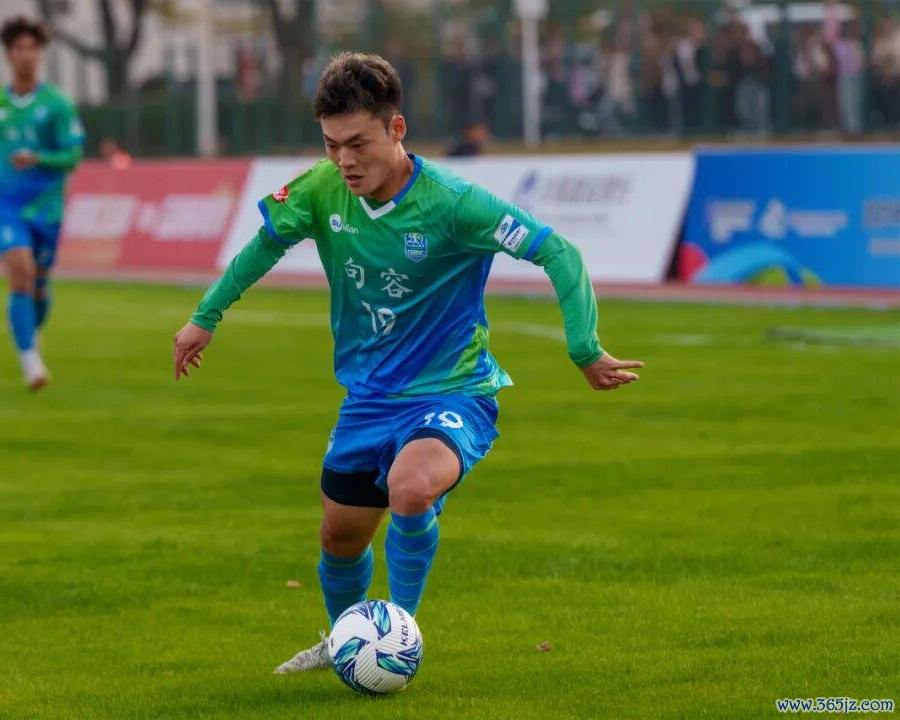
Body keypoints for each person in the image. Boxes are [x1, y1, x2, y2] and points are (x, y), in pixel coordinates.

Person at [172, 53, 643, 673]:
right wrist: (205, 316)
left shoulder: (454, 203)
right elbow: (265, 245)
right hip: (368, 398)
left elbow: (557, 251)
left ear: (397, 129)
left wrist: (584, 348)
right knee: (340, 535)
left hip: (453, 391)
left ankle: (397, 636)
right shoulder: (320, 189)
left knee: (410, 487)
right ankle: (345, 641)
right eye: (332, 145)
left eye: (358, 143)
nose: (344, 160)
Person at [0, 16, 85, 390]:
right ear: (8, 54)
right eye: (19, 48)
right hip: (6, 202)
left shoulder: (57, 105)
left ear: (40, 54)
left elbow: (73, 156)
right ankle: (31, 362)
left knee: (39, 287)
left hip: (46, 206)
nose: (26, 55)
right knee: (20, 269)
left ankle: (31, 332)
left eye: (32, 48)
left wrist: (39, 158)